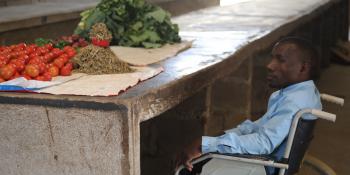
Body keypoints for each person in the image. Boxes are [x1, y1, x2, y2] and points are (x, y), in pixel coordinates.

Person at [176, 37, 322, 175]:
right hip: (265, 162)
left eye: (281, 60)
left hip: (261, 166)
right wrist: (221, 137)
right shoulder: (302, 92)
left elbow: (264, 143)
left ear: (303, 68)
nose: (270, 65)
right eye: (272, 58)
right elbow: (260, 127)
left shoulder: (294, 101)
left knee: (187, 169)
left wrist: (206, 145)